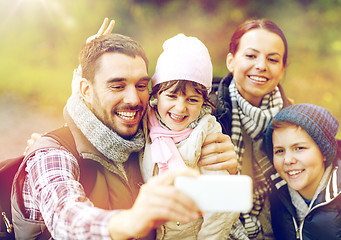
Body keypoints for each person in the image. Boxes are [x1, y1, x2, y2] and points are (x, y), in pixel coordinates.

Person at [11, 21, 238, 239]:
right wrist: (132, 220)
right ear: (85, 90)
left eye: (141, 86)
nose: (133, 99)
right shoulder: (52, 155)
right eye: (117, 86)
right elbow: (67, 217)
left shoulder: (148, 133)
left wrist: (229, 171)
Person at [141, 33, 239, 239]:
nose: (180, 107)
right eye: (171, 96)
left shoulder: (206, 134)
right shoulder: (144, 122)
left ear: (204, 102)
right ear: (156, 93)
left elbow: (222, 206)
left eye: (192, 99)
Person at [211, 18, 292, 239]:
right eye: (250, 55)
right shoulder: (206, 111)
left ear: (282, 69)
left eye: (272, 59)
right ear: (231, 61)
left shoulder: (293, 119)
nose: (261, 66)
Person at [263, 103, 341, 239]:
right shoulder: (274, 198)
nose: (287, 160)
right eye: (279, 151)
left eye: (299, 148)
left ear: (324, 153)